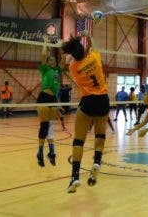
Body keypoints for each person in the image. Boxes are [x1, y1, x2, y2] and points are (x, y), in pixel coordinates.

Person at [62, 31, 110, 193]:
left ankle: (75, 176)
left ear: (73, 55)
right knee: (100, 135)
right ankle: (97, 161)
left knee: (79, 140)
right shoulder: (95, 58)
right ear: (84, 50)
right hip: (103, 100)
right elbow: (93, 46)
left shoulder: (73, 67)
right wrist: (88, 36)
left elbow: (79, 56)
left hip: (88, 101)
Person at [36, 35, 64, 167]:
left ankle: (51, 152)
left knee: (51, 127)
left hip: (53, 99)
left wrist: (61, 47)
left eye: (53, 59)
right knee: (44, 126)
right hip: (44, 97)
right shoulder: (45, 68)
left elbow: (63, 61)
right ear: (48, 62)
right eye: (50, 60)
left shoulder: (57, 70)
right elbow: (43, 56)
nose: (52, 61)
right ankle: (40, 152)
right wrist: (45, 43)